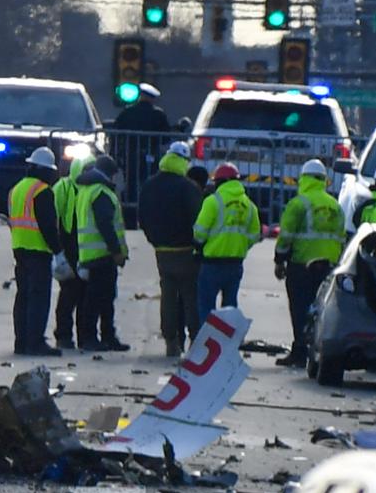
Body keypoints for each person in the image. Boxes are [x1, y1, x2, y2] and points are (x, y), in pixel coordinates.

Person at [275, 158, 347, 369]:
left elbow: (286, 236)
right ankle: (318, 351)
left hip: (302, 265)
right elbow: (341, 237)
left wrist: (279, 261)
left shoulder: (299, 203)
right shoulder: (335, 205)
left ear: (303, 178)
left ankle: (299, 352)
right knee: (323, 311)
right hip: (329, 267)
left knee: (299, 309)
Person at [140, 141, 204, 356]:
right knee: (190, 297)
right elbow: (199, 219)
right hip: (186, 251)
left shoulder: (150, 185)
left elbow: (142, 217)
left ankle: (171, 341)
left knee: (168, 296)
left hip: (162, 251)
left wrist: (154, 240)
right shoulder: (188, 187)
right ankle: (196, 340)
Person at [6, 147, 64, 356]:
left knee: (23, 297)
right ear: (46, 170)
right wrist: (58, 251)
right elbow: (48, 225)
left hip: (19, 248)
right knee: (38, 299)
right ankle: (35, 342)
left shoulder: (17, 189)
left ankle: (21, 342)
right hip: (38, 250)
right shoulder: (42, 191)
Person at [71, 157, 129, 352]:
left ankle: (103, 336)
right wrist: (117, 251)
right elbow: (105, 225)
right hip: (102, 254)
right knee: (100, 299)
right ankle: (95, 337)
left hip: (89, 253)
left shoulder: (86, 190)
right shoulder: (101, 193)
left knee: (98, 298)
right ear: (111, 173)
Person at [193, 160, 262, 313]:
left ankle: (209, 337)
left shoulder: (213, 201)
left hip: (212, 263)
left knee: (206, 306)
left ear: (220, 182)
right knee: (230, 309)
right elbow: (255, 235)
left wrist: (199, 247)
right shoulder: (249, 205)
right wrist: (241, 245)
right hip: (235, 263)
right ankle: (229, 337)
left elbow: (199, 233)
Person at [53, 155, 91, 350]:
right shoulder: (64, 187)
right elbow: (54, 215)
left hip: (86, 248)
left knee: (85, 297)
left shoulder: (89, 190)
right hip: (69, 246)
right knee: (69, 293)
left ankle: (84, 337)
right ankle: (64, 336)